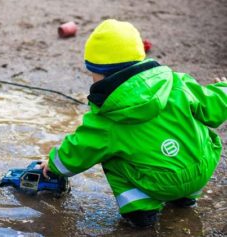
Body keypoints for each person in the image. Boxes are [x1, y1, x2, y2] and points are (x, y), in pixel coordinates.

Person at [40, 19, 227, 228]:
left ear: (99, 72)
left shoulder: (106, 117)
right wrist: (224, 88)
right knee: (195, 129)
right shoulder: (177, 82)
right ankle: (184, 200)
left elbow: (79, 150)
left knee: (109, 155)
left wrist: (54, 165)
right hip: (201, 168)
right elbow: (214, 106)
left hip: (158, 183)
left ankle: (140, 211)